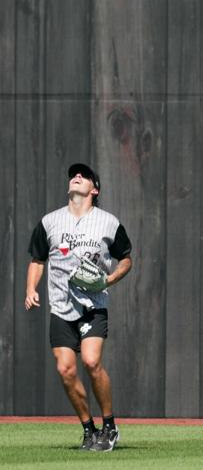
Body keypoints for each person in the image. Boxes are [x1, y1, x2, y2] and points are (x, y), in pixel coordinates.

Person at [25, 163, 133, 452]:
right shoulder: (50, 222)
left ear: (94, 189)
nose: (76, 177)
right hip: (60, 307)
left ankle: (109, 427)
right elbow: (37, 259)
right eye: (74, 175)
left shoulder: (108, 222)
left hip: (93, 306)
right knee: (65, 370)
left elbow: (126, 258)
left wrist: (109, 279)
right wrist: (30, 289)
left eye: (84, 176)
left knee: (91, 362)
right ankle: (89, 429)